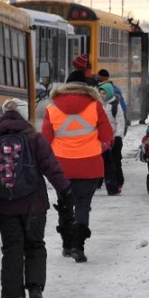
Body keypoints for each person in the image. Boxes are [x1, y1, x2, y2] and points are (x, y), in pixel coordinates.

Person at [0, 99, 74, 298]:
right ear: (25, 115)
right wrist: (65, 191)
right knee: (35, 245)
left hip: (6, 207)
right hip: (34, 205)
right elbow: (51, 168)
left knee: (11, 250)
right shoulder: (36, 140)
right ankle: (35, 290)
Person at [42, 70, 114, 263]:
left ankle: (66, 244)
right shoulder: (95, 106)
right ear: (86, 87)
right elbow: (107, 136)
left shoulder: (52, 108)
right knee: (83, 205)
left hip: (61, 167)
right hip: (89, 164)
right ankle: (78, 246)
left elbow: (45, 140)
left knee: (65, 204)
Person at [98, 82, 126, 195]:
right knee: (100, 161)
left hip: (114, 139)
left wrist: (118, 136)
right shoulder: (98, 105)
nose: (102, 96)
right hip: (102, 139)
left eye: (104, 93)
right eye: (100, 94)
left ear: (109, 93)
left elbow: (120, 122)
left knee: (115, 161)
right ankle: (98, 182)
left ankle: (118, 181)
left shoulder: (115, 106)